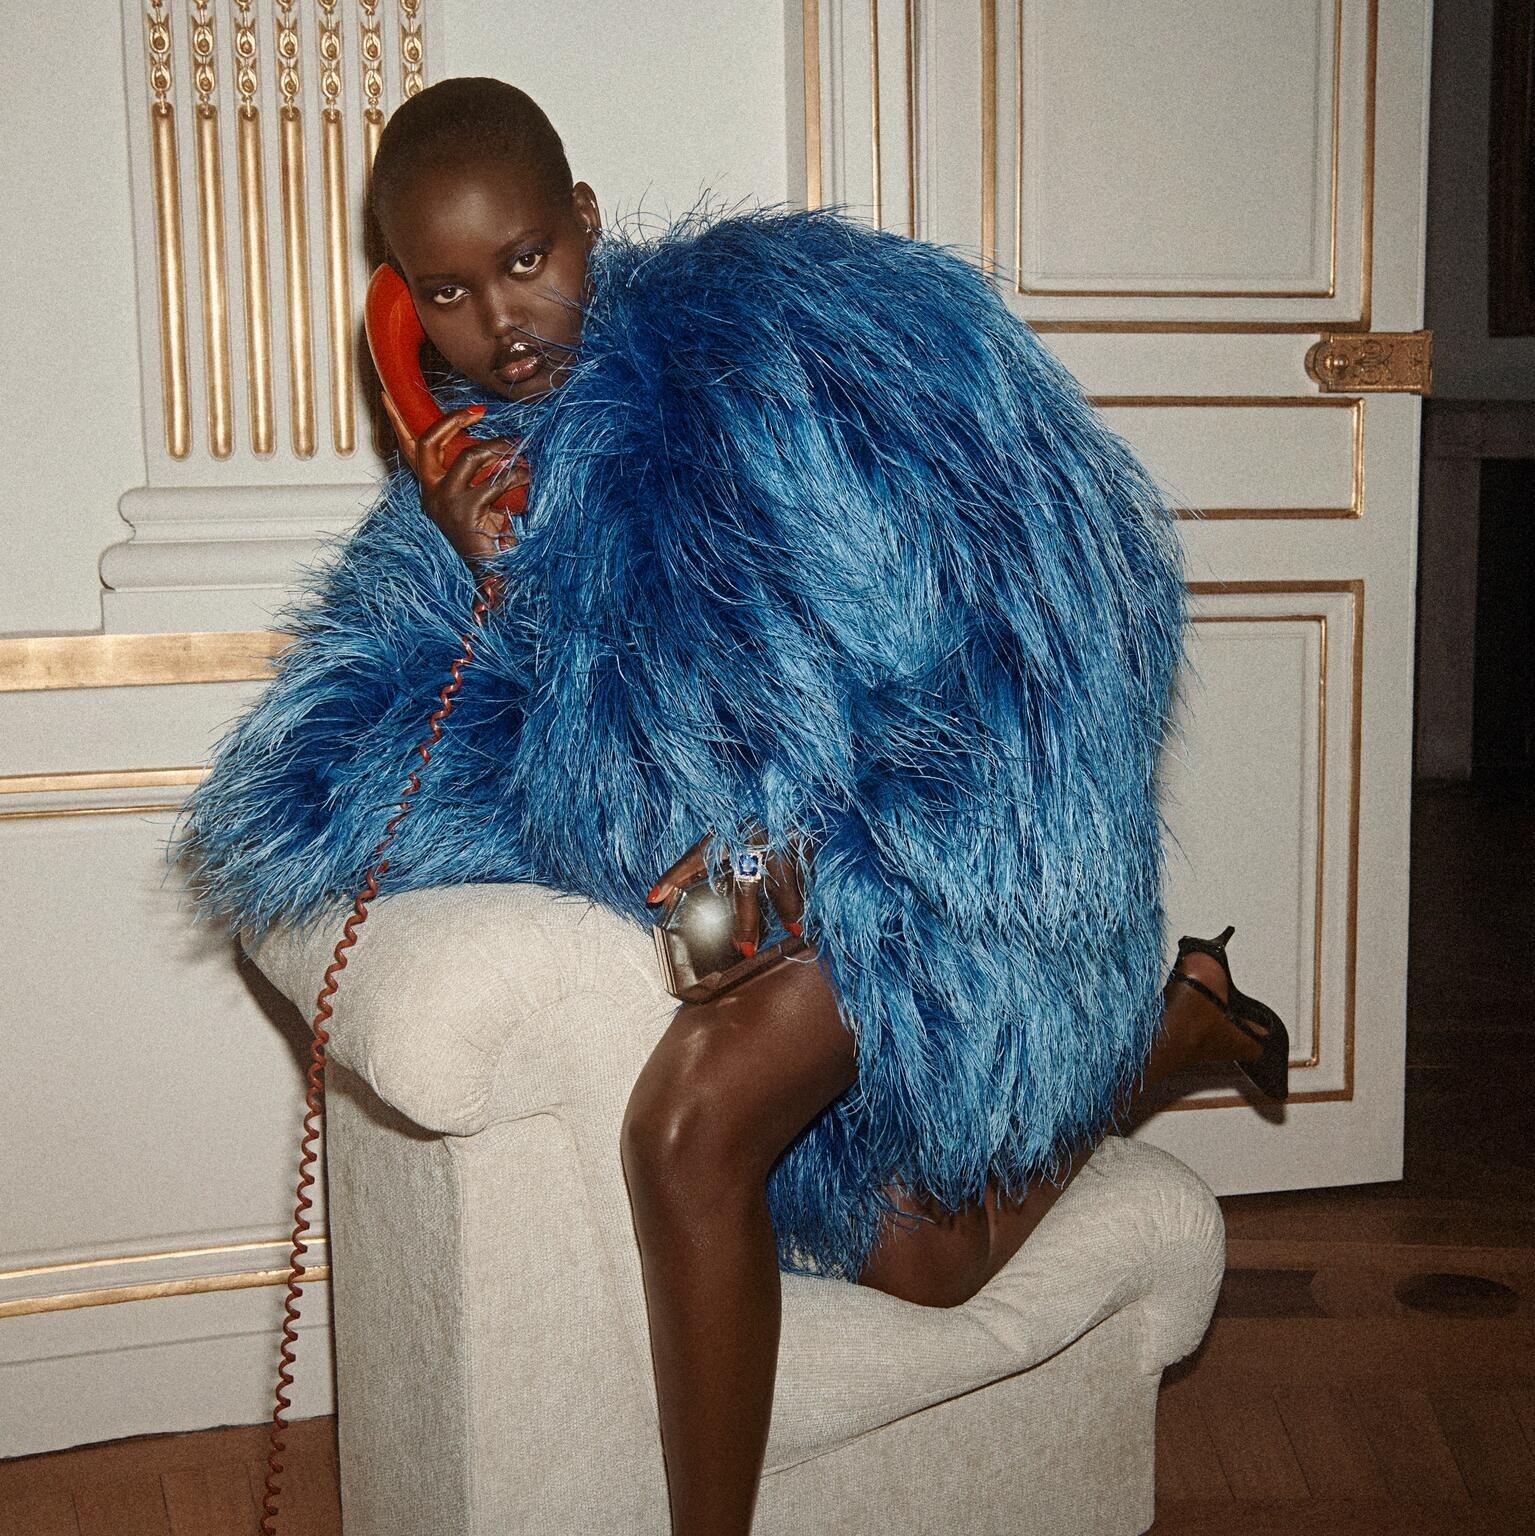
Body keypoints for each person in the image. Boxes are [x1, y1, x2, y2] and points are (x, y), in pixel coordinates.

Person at [193, 76, 1289, 1536]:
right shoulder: (466, 494)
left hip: (916, 841)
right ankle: (1177, 1029)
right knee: (924, 1264)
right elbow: (408, 766)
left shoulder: (752, 354)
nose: (500, 323)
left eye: (526, 260)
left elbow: (948, 619)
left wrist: (813, 838)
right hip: (770, 896)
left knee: (689, 1131)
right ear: (395, 309)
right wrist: (480, 564)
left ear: (586, 222)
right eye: (444, 295)